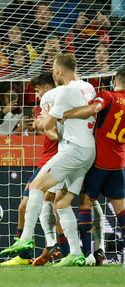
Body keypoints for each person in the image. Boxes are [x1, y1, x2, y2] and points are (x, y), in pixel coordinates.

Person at [1, 53, 96, 267]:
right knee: (61, 203)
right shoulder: (88, 87)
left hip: (73, 148)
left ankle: (26, 239)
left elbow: (47, 125)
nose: (54, 74)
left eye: (54, 70)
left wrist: (37, 122)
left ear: (59, 72)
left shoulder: (64, 92)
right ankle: (75, 253)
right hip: (89, 149)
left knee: (36, 186)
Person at [1, 72, 69, 266]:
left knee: (57, 206)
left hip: (58, 161)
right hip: (45, 161)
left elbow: (54, 132)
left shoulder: (55, 104)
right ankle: (25, 255)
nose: (37, 95)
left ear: (47, 88)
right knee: (26, 207)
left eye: (38, 90)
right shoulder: (47, 106)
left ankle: (62, 250)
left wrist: (48, 129)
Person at [63, 66, 125, 266]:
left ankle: (88, 254)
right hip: (119, 163)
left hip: (99, 163)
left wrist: (67, 113)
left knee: (86, 203)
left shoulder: (109, 96)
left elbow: (92, 109)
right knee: (121, 210)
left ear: (116, 81)